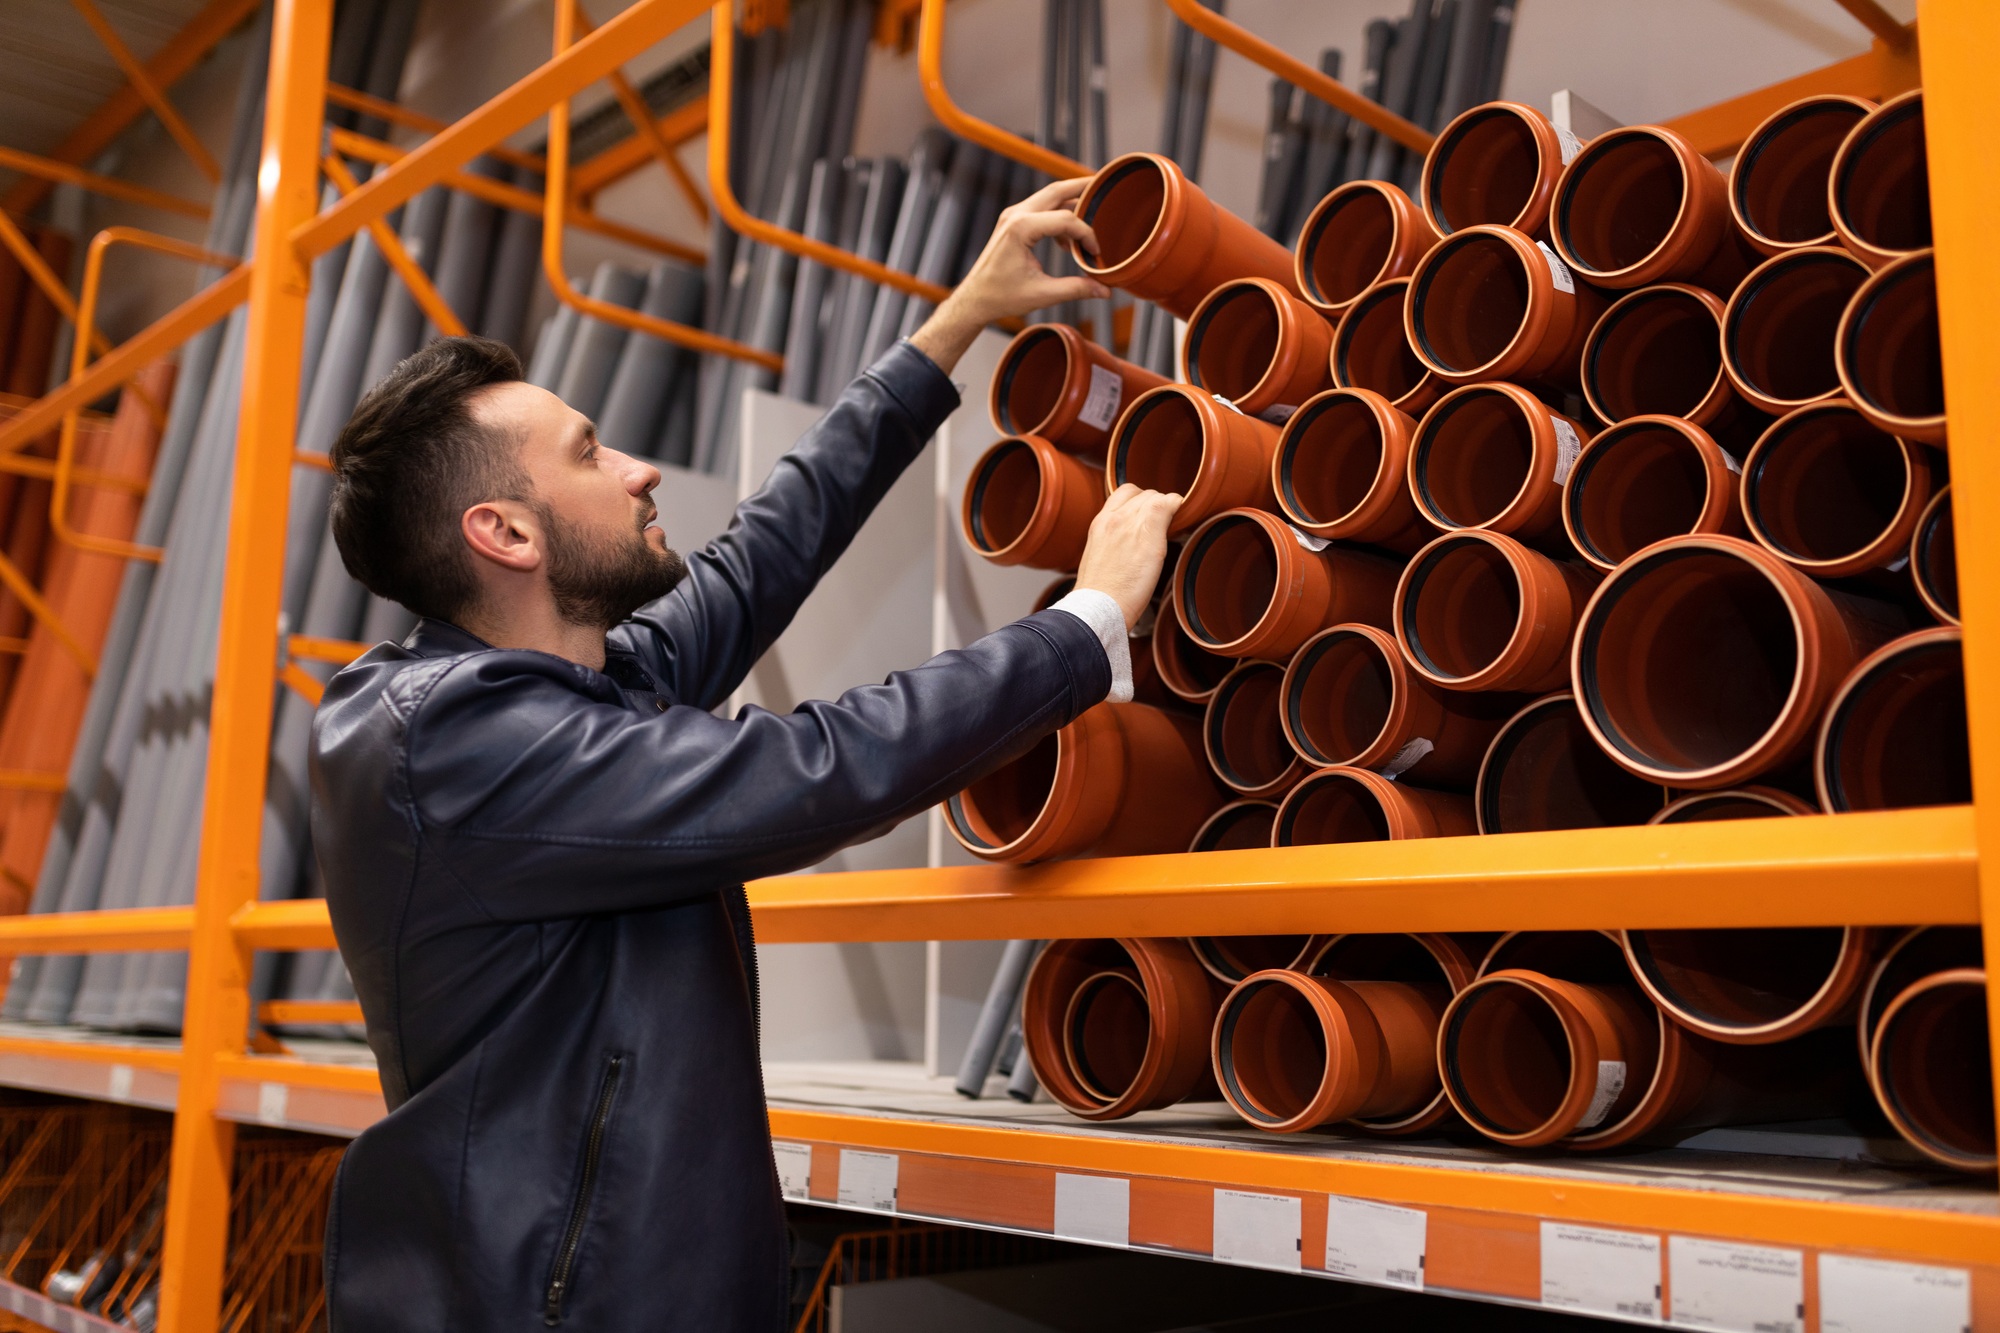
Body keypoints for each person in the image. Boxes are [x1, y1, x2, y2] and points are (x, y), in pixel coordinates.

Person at [310, 178, 1181, 1331]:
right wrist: (1087, 621)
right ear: (507, 533)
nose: (638, 469)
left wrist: (959, 320)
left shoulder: (571, 689)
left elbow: (762, 552)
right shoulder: (464, 746)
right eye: (590, 453)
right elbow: (819, 768)